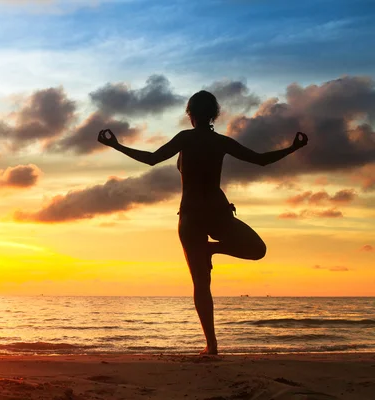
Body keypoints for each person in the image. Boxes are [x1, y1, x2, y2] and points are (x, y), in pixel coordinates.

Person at [97, 90, 308, 355]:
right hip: (217, 211)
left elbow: (151, 159)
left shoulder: (186, 138)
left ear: (190, 114)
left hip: (192, 216)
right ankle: (212, 336)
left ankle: (212, 345)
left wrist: (117, 146)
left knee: (201, 283)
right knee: (257, 250)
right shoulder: (220, 142)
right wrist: (293, 148)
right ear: (214, 115)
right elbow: (261, 160)